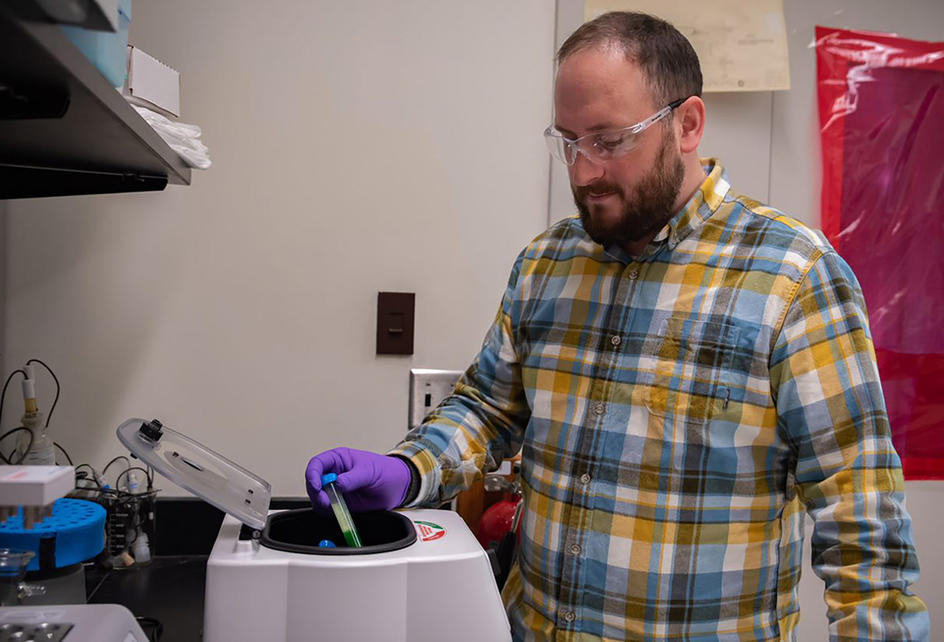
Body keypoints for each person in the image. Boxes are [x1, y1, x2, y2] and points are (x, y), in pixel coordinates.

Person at [306, 11, 929, 641]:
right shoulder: (547, 264)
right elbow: (490, 408)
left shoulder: (794, 279)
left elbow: (864, 528)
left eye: (608, 140)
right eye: (569, 141)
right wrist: (409, 470)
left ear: (687, 124)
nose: (582, 172)